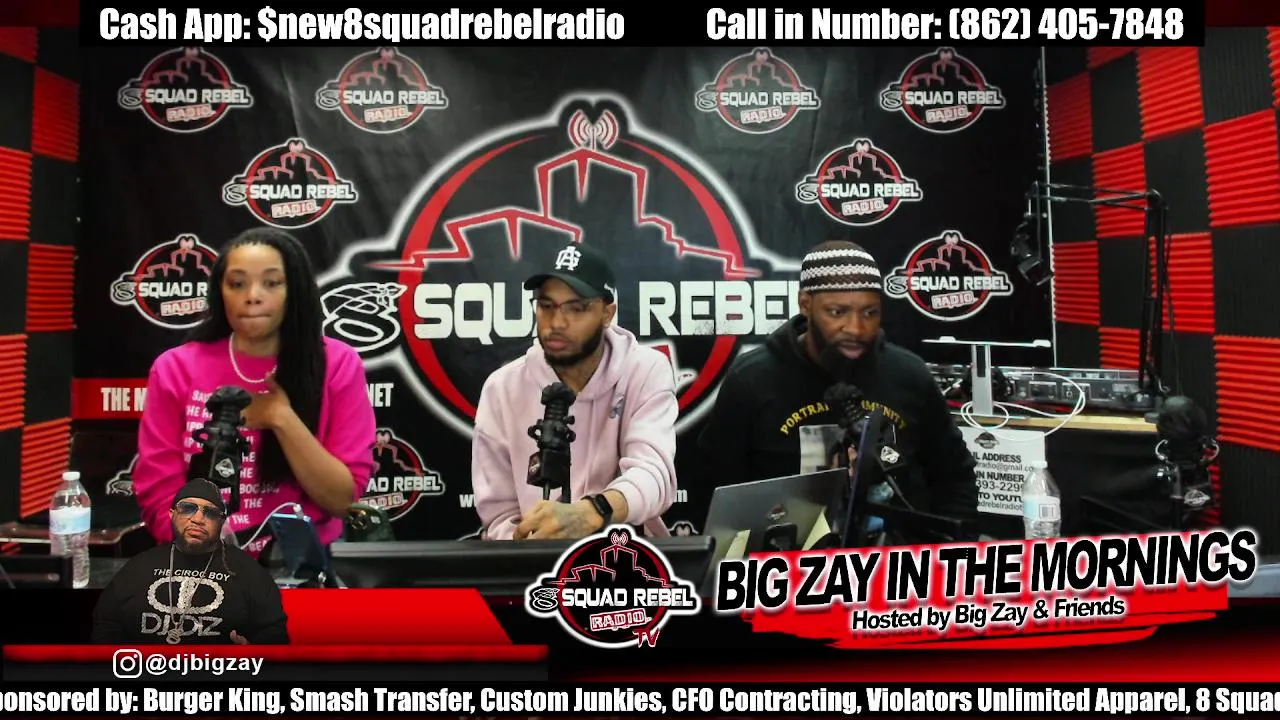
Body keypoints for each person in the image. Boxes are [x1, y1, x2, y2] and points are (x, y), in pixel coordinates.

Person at [132, 228, 377, 556]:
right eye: (237, 284)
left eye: (272, 283)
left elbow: (341, 499)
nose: (252, 296)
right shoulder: (175, 368)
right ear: (220, 292)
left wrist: (281, 418)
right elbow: (159, 496)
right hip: (200, 561)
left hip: (298, 563)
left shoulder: (337, 363)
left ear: (294, 290)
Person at [699, 240, 978, 522]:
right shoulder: (752, 379)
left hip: (899, 548)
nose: (856, 328)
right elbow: (717, 491)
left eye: (869, 313)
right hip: (783, 549)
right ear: (805, 304)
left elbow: (955, 477)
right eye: (837, 312)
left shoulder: (909, 375)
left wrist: (946, 543)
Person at [471, 241, 679, 540]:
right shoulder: (502, 388)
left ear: (607, 313)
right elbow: (500, 515)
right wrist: (536, 547)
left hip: (627, 557)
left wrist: (591, 513)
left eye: (577, 308)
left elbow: (654, 475)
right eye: (546, 306)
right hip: (534, 561)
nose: (557, 323)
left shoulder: (645, 370)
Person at [92, 479, 289, 644]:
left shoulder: (250, 573)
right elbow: (106, 623)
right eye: (188, 509)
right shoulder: (138, 567)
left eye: (210, 513)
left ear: (221, 522)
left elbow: (275, 635)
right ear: (172, 514)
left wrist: (252, 655)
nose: (198, 519)